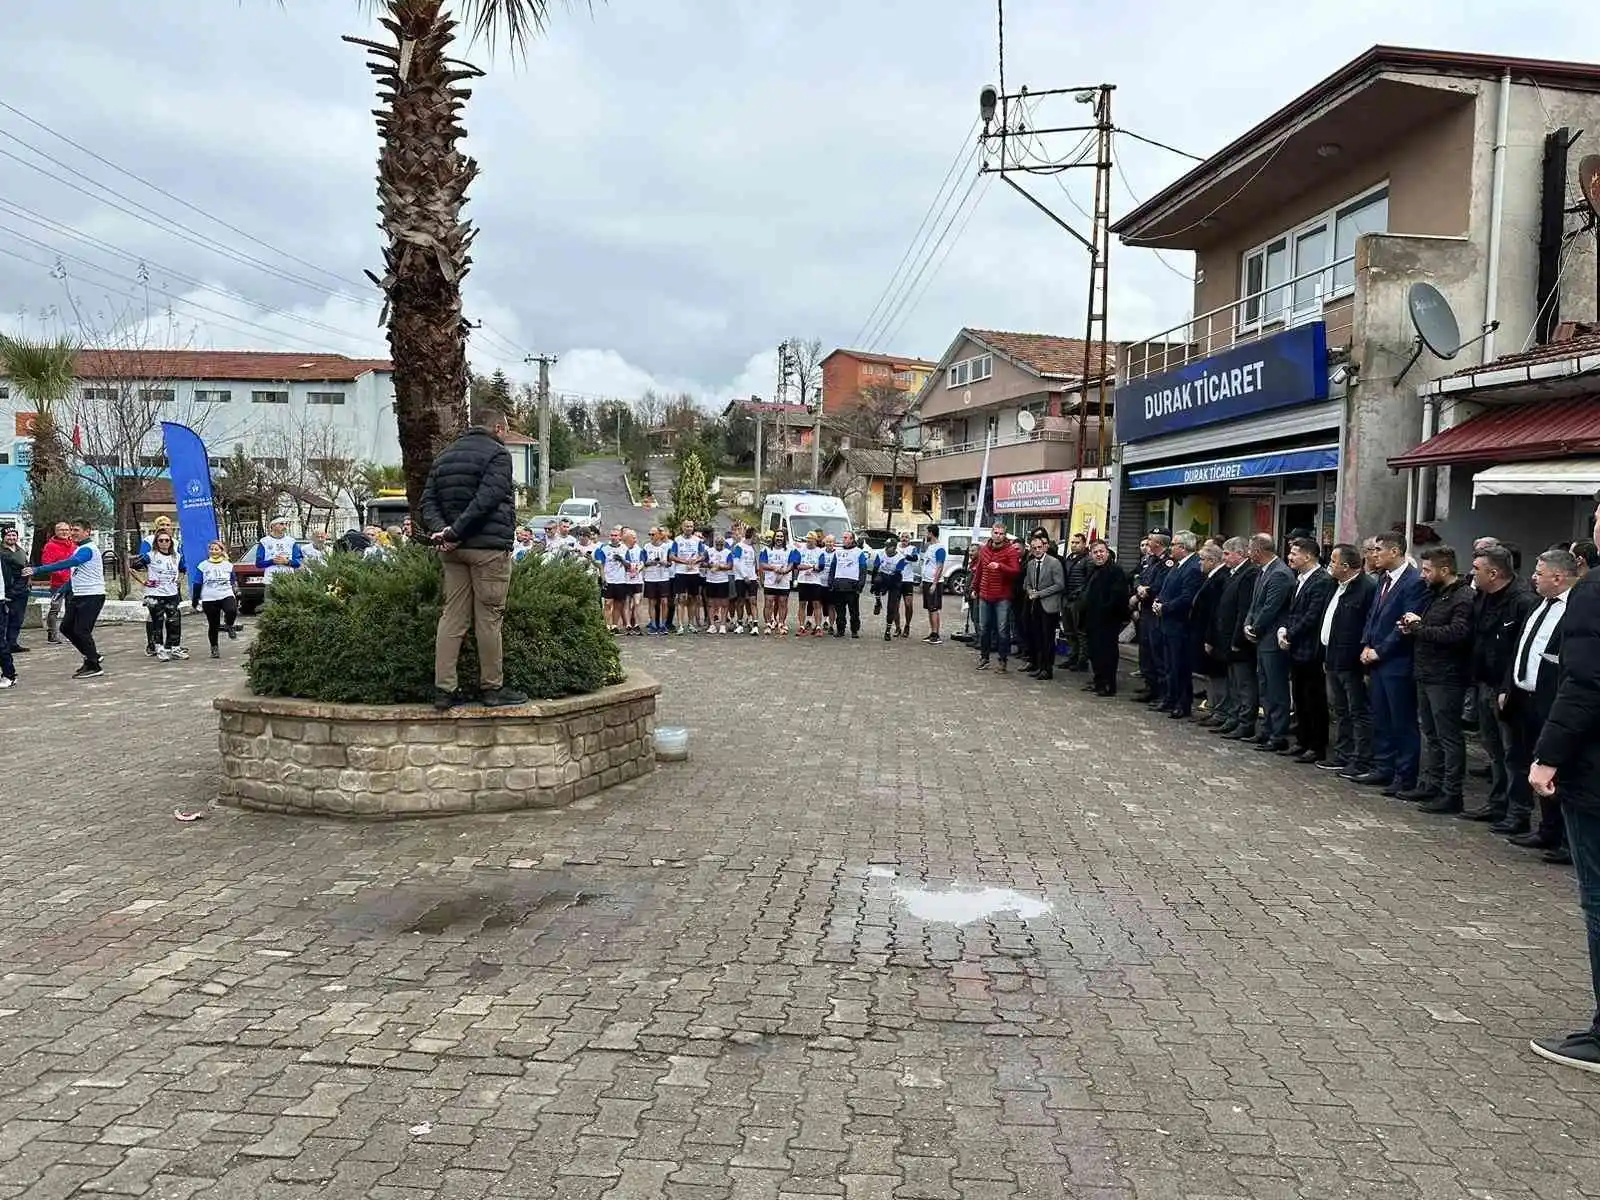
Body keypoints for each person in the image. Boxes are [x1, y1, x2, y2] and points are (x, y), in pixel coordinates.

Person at [1526, 495, 1600, 1074]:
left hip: (1594, 770)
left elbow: (1584, 684)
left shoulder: (1594, 591)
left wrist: (1547, 757)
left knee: (1598, 898)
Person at [419, 402, 525, 709]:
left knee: (452, 617)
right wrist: (456, 532)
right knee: (489, 619)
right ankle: (492, 689)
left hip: (453, 552)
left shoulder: (445, 456)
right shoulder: (497, 454)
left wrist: (444, 532)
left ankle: (444, 690)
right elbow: (487, 500)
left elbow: (428, 503)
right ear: (499, 428)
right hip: (487, 550)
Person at [1504, 549, 1579, 855]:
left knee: (1555, 769)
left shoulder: (1576, 607)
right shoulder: (1538, 604)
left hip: (1553, 701)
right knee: (1528, 761)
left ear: (1558, 577)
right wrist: (1509, 685)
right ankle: (1546, 829)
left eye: (1539, 573)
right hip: (1525, 696)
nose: (1533, 578)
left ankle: (1564, 839)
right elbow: (1522, 646)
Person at [1397, 545, 1475, 814]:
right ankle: (1431, 782)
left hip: (1447, 677)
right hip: (1426, 672)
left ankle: (1451, 792)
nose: (1423, 576)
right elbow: (1432, 629)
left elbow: (1457, 633)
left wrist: (1420, 628)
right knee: (1430, 733)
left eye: (1428, 570)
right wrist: (1414, 627)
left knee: (1448, 736)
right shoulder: (1436, 595)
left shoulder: (1463, 597)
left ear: (1445, 570)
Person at [1355, 532, 1428, 796]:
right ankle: (1383, 766)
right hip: (1375, 658)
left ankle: (1404, 774)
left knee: (1402, 720)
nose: (1373, 555)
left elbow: (1404, 625)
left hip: (1397, 662)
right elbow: (1373, 615)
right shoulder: (1383, 579)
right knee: (1381, 717)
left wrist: (1380, 651)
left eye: (1378, 550)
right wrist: (1366, 644)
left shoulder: (1413, 582)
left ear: (1395, 551)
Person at [1467, 544, 1535, 824]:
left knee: (1513, 753)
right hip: (1484, 681)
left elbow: (1521, 649)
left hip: (1507, 689)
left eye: (1477, 569)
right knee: (1493, 750)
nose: (1472, 574)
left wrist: (1508, 687)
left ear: (1493, 573)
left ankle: (1518, 811)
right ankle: (1497, 803)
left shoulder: (1522, 601)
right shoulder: (1483, 597)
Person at [21, 518, 106, 679]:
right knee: (66, 628)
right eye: (72, 530)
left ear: (87, 532)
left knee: (82, 631)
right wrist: (61, 590)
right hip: (78, 594)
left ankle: (94, 664)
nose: (72, 533)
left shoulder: (88, 549)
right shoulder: (78, 549)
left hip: (92, 595)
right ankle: (91, 656)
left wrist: (38, 569)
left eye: (76, 530)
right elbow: (75, 575)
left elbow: (70, 563)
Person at [1322, 544, 1378, 778]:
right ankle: (1343, 754)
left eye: (1334, 561)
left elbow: (1368, 626)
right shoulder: (1336, 586)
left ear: (1346, 566)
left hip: (1352, 661)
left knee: (1358, 711)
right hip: (1333, 657)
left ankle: (1362, 758)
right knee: (1341, 710)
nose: (1330, 565)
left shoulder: (1366, 588)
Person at [1278, 536, 1335, 764]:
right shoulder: (1299, 578)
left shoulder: (1321, 580)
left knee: (1314, 699)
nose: (1290, 557)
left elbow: (1311, 616)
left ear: (1309, 556)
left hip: (1311, 650)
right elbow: (1293, 612)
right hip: (1296, 648)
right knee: (1299, 697)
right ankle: (1302, 740)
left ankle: (1316, 745)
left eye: (1294, 553)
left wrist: (1291, 633)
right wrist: (1285, 629)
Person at [1243, 532, 1295, 753]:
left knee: (1276, 689)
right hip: (1261, 639)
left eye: (1249, 549)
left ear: (1258, 551)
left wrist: (1255, 627)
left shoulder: (1280, 574)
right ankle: (1266, 729)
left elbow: (1271, 607)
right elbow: (1255, 604)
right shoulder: (1262, 572)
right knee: (1264, 686)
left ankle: (1278, 734)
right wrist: (1248, 624)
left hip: (1272, 640)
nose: (1248, 553)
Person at [1212, 537, 1260, 740]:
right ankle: (1233, 716)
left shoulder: (1248, 574)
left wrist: (1237, 639)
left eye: (1226, 553)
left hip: (1239, 640)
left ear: (1240, 554)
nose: (1223, 558)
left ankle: (1245, 721)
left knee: (1244, 684)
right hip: (1227, 637)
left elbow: (1243, 610)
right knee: (1233, 681)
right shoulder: (1233, 574)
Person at [1152, 531, 1204, 717]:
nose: (1170, 547)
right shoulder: (1176, 565)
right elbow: (1166, 589)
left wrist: (1165, 607)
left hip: (1180, 626)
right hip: (1167, 623)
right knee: (1169, 665)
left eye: (1173, 544)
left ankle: (1183, 703)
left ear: (1183, 547)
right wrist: (1158, 601)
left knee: (1180, 666)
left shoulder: (1193, 567)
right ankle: (1170, 698)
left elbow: (1187, 597)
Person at [1081, 540, 1129, 696]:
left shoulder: (1115, 571)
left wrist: (1105, 611)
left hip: (1108, 620)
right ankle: (1098, 681)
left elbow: (1118, 597)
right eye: (1095, 552)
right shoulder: (1093, 570)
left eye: (1101, 551)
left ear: (1107, 553)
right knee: (1095, 652)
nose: (1099, 555)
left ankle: (1108, 684)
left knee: (1107, 653)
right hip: (1093, 620)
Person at [973, 523, 1021, 672]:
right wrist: (974, 588)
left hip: (1002, 596)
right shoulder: (984, 549)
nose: (998, 535)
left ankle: (1002, 660)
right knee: (984, 627)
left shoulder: (1011, 551)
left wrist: (1000, 566)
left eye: (1001, 533)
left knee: (1002, 629)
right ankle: (984, 657)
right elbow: (979, 570)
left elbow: (1015, 571)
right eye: (996, 532)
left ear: (1004, 535)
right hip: (985, 594)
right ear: (991, 533)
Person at [1022, 533, 1065, 681]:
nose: (1037, 550)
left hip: (1049, 605)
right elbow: (1027, 583)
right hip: (1035, 606)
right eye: (1034, 548)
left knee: (1047, 638)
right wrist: (1029, 591)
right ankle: (1040, 666)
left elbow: (1060, 585)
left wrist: (1040, 593)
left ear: (1045, 547)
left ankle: (1048, 668)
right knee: (1037, 637)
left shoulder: (1054, 563)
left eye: (1040, 547)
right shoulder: (1030, 564)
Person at [142, 528, 189, 662]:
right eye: (161, 540)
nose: (164, 543)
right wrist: (144, 582)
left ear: (171, 542)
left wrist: (179, 579)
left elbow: (183, 569)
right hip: (155, 594)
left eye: (166, 540)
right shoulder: (151, 555)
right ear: (156, 542)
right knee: (158, 622)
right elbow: (133, 567)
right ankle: (159, 648)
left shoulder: (177, 556)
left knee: (174, 621)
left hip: (171, 593)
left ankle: (174, 648)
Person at [190, 539, 241, 658]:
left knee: (231, 610)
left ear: (221, 551)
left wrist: (236, 591)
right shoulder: (203, 565)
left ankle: (229, 625)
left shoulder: (228, 565)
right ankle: (214, 647)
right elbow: (197, 583)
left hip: (226, 594)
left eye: (216, 549)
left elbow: (233, 580)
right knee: (213, 624)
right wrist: (195, 599)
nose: (213, 551)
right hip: (209, 597)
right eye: (211, 549)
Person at [827, 531, 868, 639]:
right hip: (839, 585)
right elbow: (833, 568)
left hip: (852, 586)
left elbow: (863, 570)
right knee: (840, 611)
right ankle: (840, 629)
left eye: (846, 538)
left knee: (854, 611)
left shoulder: (859, 552)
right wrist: (830, 582)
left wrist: (861, 585)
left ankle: (854, 630)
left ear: (852, 539)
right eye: (843, 537)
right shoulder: (837, 552)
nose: (844, 539)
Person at [40, 522, 75, 645]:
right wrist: (60, 573)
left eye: (67, 529)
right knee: (55, 608)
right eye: (61, 530)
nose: (64, 532)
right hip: (58, 584)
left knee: (72, 609)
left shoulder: (73, 544)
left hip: (73, 583)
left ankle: (71, 633)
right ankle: (52, 634)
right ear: (56, 532)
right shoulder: (50, 546)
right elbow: (47, 565)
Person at [1060, 532, 1091, 671]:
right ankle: (1073, 656)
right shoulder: (1069, 559)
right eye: (1072, 542)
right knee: (1068, 630)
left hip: (1078, 600)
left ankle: (1082, 660)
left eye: (1077, 542)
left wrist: (1080, 594)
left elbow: (1089, 581)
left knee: (1080, 631)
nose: (1074, 545)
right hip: (1066, 598)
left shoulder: (1088, 560)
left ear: (1084, 544)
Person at [669, 520, 705, 635]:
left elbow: (703, 555)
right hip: (680, 573)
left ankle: (690, 623)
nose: (689, 528)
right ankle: (680, 625)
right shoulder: (677, 540)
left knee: (693, 599)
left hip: (694, 573)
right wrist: (684, 561)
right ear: (682, 527)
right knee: (681, 599)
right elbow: (671, 556)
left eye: (691, 526)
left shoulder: (697, 540)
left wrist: (695, 560)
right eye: (687, 526)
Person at [597, 526, 633, 635]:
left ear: (620, 537)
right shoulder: (603, 548)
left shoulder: (624, 549)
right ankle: (607, 625)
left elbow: (629, 565)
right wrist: (603, 578)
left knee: (618, 604)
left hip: (620, 580)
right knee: (607, 603)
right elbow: (601, 565)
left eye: (616, 535)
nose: (613, 537)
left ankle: (614, 625)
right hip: (609, 579)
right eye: (612, 535)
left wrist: (621, 559)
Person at [760, 531, 797, 634]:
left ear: (784, 538)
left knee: (782, 603)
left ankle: (781, 623)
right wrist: (774, 568)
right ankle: (768, 624)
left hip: (784, 582)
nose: (779, 538)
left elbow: (791, 564)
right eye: (777, 536)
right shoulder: (766, 550)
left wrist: (784, 571)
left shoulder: (789, 550)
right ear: (774, 538)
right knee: (768, 603)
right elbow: (763, 564)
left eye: (781, 536)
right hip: (770, 581)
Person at [0, 525, 28, 656]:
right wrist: (7, 591)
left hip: (23, 589)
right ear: (3, 537)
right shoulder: (2, 553)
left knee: (18, 618)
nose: (11, 538)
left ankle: (13, 643)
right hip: (10, 590)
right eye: (8, 535)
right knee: (7, 618)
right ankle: (6, 644)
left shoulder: (20, 549)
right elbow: (6, 574)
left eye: (14, 535)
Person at [703, 529, 735, 634]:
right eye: (717, 543)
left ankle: (722, 625)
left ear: (724, 543)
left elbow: (730, 566)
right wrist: (710, 565)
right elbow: (703, 563)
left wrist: (720, 566)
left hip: (723, 580)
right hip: (711, 580)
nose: (719, 545)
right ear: (714, 543)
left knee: (724, 603)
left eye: (721, 543)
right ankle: (712, 625)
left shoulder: (728, 552)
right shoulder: (709, 551)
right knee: (711, 603)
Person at [642, 528, 673, 635]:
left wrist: (664, 563)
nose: (651, 536)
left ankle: (663, 624)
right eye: (649, 534)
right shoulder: (646, 546)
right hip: (650, 577)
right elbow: (643, 562)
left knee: (664, 601)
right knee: (652, 602)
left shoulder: (666, 547)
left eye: (653, 534)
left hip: (663, 577)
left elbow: (670, 562)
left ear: (659, 535)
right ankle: (654, 624)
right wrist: (649, 563)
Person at [256, 518, 303, 588]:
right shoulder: (264, 541)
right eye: (281, 524)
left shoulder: (291, 541)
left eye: (285, 524)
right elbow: (258, 564)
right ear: (273, 526)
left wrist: (287, 562)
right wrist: (272, 561)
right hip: (270, 581)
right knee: (270, 599)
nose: (284, 526)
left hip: (288, 581)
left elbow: (298, 562)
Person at [920, 527, 948, 645]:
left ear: (931, 533)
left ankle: (936, 634)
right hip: (926, 580)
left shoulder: (940, 548)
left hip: (933, 582)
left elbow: (940, 566)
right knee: (929, 608)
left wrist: (934, 583)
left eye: (927, 532)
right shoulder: (930, 547)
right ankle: (932, 632)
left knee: (934, 608)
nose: (925, 534)